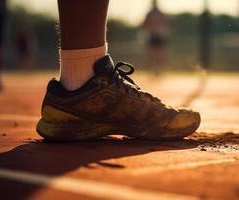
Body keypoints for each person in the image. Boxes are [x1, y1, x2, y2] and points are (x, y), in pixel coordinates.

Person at [36, 0, 201, 141]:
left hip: (158, 35)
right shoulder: (152, 13)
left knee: (158, 55)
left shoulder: (156, 13)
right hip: (154, 35)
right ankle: (89, 87)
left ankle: (73, 93)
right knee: (155, 55)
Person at [142, 0, 171, 75]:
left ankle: (160, 69)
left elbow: (166, 23)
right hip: (152, 35)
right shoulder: (149, 14)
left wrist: (166, 32)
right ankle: (153, 69)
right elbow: (144, 24)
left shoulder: (161, 13)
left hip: (160, 35)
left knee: (161, 53)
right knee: (152, 53)